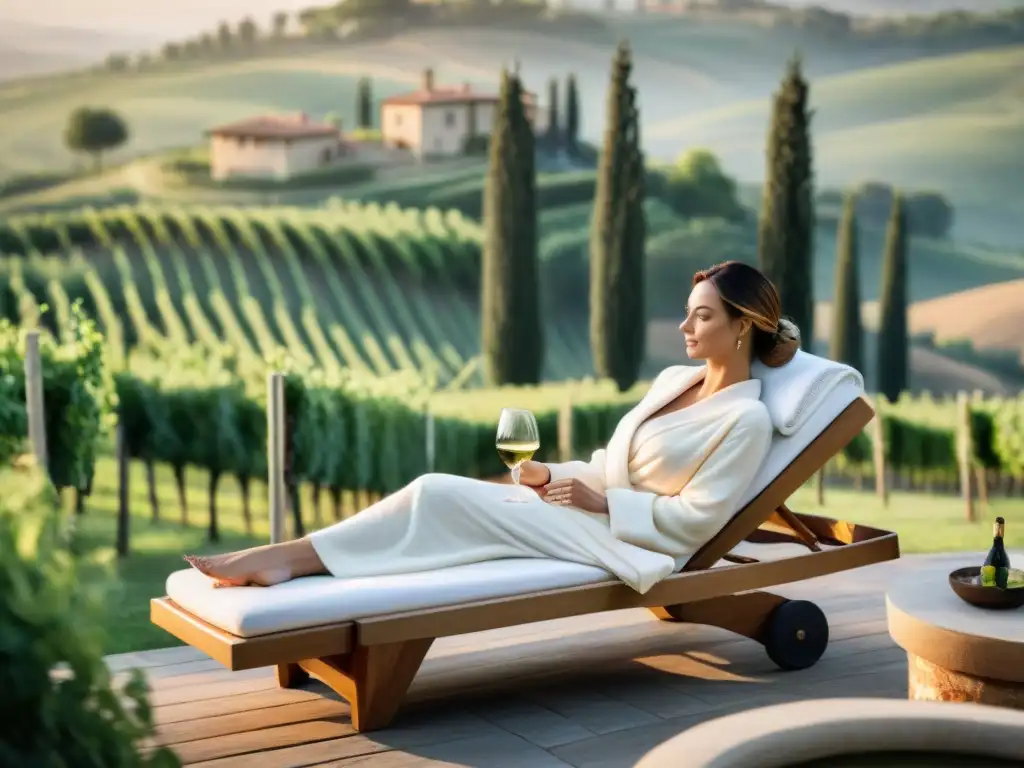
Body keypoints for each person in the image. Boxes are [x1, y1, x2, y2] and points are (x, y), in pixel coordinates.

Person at [185, 261, 800, 595]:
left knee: (435, 491)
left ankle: (287, 561)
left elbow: (698, 521)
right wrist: (552, 474)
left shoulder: (746, 420)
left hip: (623, 540)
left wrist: (603, 504)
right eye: (688, 315)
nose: (685, 328)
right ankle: (292, 561)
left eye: (702, 316)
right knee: (440, 493)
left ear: (743, 325)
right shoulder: (674, 381)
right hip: (588, 512)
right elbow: (612, 462)